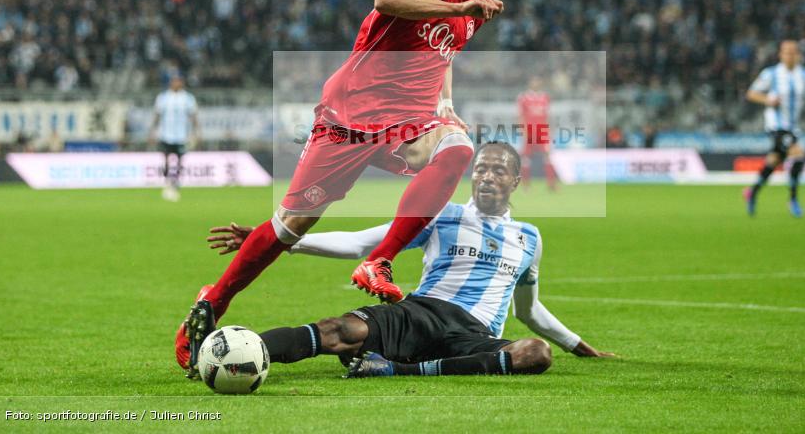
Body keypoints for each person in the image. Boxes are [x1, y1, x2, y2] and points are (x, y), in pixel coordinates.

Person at [175, 0, 527, 373]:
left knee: (457, 146)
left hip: (405, 123)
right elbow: (386, 0)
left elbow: (442, 55)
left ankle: (377, 262)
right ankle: (215, 299)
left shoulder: (473, 7)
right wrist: (459, 7)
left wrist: (444, 104)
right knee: (289, 227)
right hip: (349, 117)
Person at [205, 142, 613, 378]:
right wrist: (278, 242)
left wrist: (578, 346)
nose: (488, 177)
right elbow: (360, 243)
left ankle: (399, 370)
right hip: (419, 312)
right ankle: (228, 353)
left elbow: (530, 309)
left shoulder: (529, 238)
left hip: (474, 334)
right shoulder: (440, 213)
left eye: (498, 172)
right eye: (481, 169)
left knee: (536, 353)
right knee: (336, 330)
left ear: (516, 181)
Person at [743, 39, 805, 217]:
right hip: (776, 125)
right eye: (786, 51)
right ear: (780, 54)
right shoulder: (771, 74)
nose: (790, 55)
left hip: (794, 126)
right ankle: (793, 200)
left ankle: (752, 192)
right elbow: (752, 93)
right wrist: (767, 100)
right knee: (798, 154)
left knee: (774, 161)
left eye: (793, 52)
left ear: (798, 54)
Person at [149, 74, 199, 202]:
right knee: (165, 159)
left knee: (180, 160)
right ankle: (166, 180)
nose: (176, 83)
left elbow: (193, 116)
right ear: (171, 83)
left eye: (179, 81)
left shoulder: (188, 98)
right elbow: (157, 115)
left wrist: (196, 131)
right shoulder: (163, 97)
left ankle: (176, 181)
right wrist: (153, 131)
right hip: (166, 134)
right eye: (174, 81)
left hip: (182, 135)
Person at [516, 76, 558, 191]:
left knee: (548, 156)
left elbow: (548, 115)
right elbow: (520, 116)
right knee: (526, 158)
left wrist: (550, 131)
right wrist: (522, 130)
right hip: (529, 131)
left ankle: (551, 184)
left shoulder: (545, 97)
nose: (536, 83)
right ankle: (526, 185)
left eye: (538, 81)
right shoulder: (523, 98)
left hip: (542, 131)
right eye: (534, 81)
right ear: (530, 83)